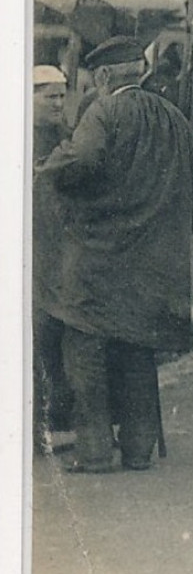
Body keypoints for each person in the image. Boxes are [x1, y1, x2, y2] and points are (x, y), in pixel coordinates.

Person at [37, 36, 193, 473]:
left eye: (94, 79)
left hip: (100, 257)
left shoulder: (105, 111)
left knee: (83, 346)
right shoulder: (175, 117)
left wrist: (48, 170)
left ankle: (94, 452)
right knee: (137, 349)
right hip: (156, 262)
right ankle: (137, 449)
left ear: (107, 76)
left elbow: (81, 160)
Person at [32, 65, 75, 453]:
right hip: (31, 246)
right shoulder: (21, 137)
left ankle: (57, 419)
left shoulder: (67, 136)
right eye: (50, 97)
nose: (58, 103)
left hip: (61, 247)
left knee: (55, 336)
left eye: (62, 96)